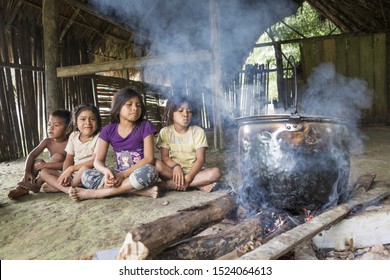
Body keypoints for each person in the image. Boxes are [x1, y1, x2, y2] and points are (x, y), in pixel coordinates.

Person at [69, 87, 159, 201]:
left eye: (138, 105)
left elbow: (149, 159)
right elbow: (98, 161)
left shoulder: (145, 126)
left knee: (150, 171)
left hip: (137, 172)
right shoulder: (108, 130)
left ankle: (97, 193)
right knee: (86, 175)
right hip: (118, 173)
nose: (135, 108)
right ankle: (141, 191)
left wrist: (123, 175)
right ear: (118, 108)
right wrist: (106, 172)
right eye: (129, 104)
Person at [155, 95, 221, 192]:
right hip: (173, 172)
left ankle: (169, 185)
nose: (185, 114)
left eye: (189, 111)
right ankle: (198, 185)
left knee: (216, 172)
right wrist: (176, 166)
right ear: (171, 113)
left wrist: (188, 178)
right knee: (157, 164)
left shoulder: (198, 132)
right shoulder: (165, 132)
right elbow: (165, 158)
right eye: (180, 110)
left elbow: (200, 159)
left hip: (195, 172)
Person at [7, 109, 72, 199]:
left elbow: (69, 164)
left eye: (56, 125)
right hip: (49, 170)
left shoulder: (70, 142)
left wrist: (46, 165)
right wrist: (27, 171)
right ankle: (22, 187)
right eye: (49, 124)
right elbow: (32, 155)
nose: (51, 128)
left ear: (67, 129)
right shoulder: (47, 141)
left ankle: (38, 184)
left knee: (57, 156)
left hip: (64, 174)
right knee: (37, 161)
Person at [39, 103, 102, 194]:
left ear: (98, 121)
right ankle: (66, 189)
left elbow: (94, 161)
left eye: (92, 119)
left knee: (84, 168)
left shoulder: (99, 137)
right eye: (83, 119)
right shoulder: (73, 136)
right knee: (44, 172)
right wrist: (65, 174)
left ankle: (62, 187)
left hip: (88, 174)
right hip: (72, 175)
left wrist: (71, 169)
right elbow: (68, 159)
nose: (88, 123)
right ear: (75, 121)